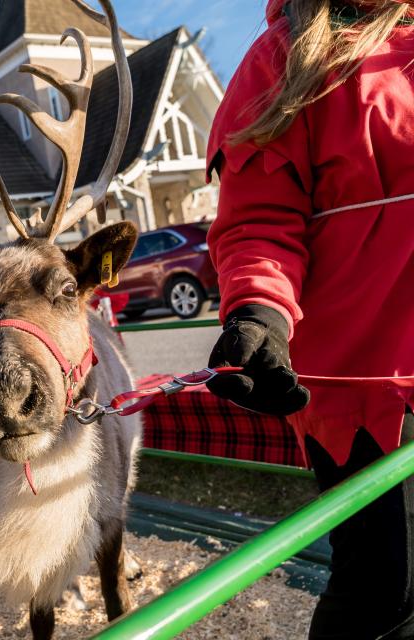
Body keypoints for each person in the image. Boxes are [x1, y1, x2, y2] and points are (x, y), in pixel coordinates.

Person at [204, 0, 414, 637]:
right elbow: (260, 219)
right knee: (388, 588)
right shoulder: (285, 56)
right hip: (371, 386)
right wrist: (260, 310)